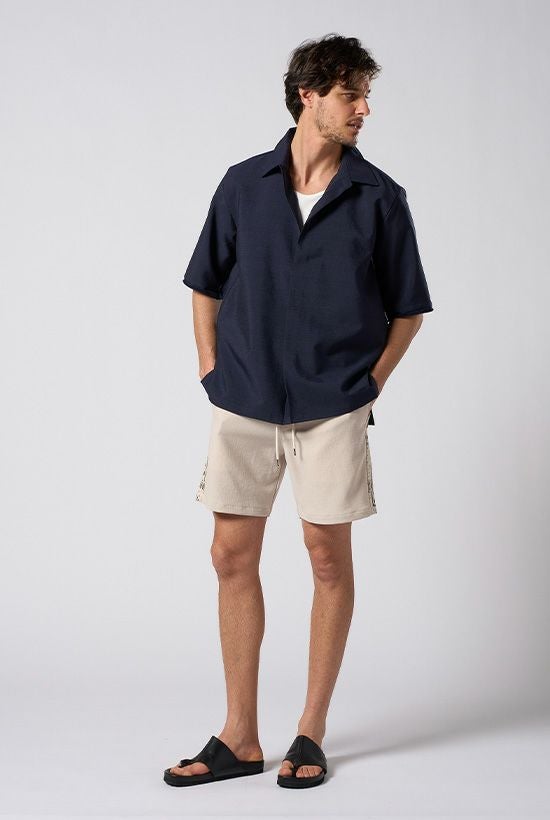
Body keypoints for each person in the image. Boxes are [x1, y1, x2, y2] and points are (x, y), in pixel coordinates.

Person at [164, 33, 434, 790]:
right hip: (244, 396)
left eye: (365, 95)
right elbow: (205, 283)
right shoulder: (243, 185)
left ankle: (309, 731)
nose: (364, 109)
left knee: (324, 555)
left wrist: (369, 383)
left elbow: (408, 310)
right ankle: (239, 737)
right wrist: (210, 365)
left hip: (332, 405)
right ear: (308, 95)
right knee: (230, 556)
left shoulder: (379, 198)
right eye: (351, 95)